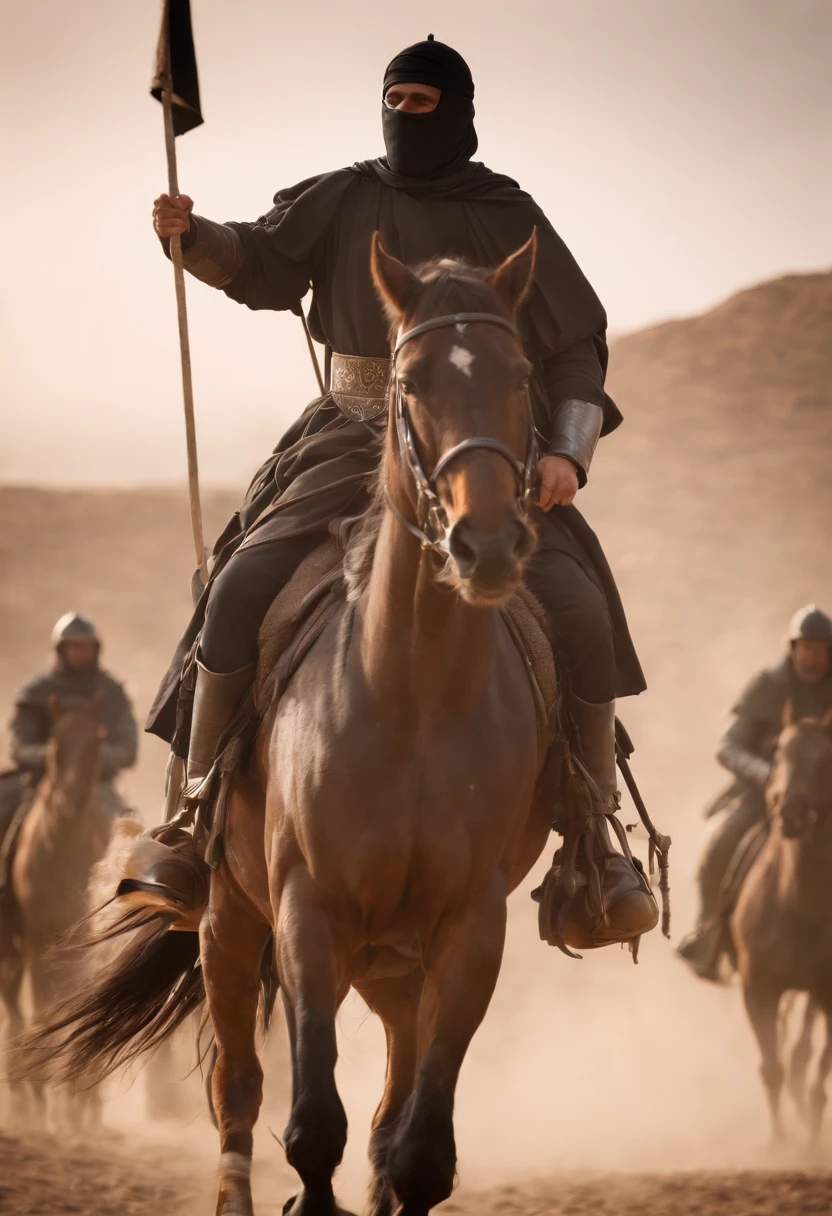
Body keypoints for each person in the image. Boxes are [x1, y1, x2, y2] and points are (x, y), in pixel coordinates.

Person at [148, 36, 654, 947]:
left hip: (490, 449)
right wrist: (197, 238)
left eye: (423, 102)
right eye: (394, 100)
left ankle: (594, 840)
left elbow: (576, 345)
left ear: (459, 111)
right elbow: (261, 263)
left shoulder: (508, 213)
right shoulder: (343, 196)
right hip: (350, 436)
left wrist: (568, 455)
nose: (404, 116)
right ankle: (194, 818)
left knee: (578, 610)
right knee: (237, 589)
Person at [678, 604, 832, 979]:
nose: (812, 657)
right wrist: (771, 777)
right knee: (719, 847)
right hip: (764, 795)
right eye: (806, 648)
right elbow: (728, 745)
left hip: (824, 801)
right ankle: (709, 936)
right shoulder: (769, 685)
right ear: (793, 648)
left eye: (820, 649)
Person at [0, 613, 138, 884]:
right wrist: (55, 755)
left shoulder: (113, 692)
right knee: (5, 815)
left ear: (95, 649)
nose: (79, 652)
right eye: (73, 646)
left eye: (85, 646)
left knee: (130, 838)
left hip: (98, 786)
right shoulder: (37, 691)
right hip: (40, 782)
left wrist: (89, 758)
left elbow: (127, 749)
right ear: (61, 650)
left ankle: (129, 899)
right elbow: (19, 747)